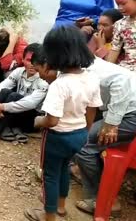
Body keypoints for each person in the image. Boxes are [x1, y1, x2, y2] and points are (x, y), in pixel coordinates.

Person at [24, 26, 102, 221]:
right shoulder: (91, 78)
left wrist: (38, 121)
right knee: (64, 169)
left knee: (49, 175)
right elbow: (92, 109)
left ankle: (48, 215)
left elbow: (52, 120)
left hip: (57, 137)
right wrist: (85, 131)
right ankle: (60, 207)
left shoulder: (60, 84)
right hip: (79, 134)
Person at [72, 58, 136, 217]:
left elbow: (123, 80)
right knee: (78, 131)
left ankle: (101, 200)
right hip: (124, 108)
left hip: (131, 113)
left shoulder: (88, 70)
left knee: (82, 143)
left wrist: (112, 123)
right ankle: (81, 170)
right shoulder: (83, 64)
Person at [0, 43, 49, 146]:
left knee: (13, 96)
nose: (32, 64)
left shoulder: (43, 79)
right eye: (29, 60)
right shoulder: (19, 72)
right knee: (4, 92)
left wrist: (3, 106)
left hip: (31, 119)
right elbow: (1, 86)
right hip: (15, 112)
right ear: (23, 59)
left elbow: (31, 103)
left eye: (35, 62)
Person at [106, 0, 136, 71]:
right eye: (118, 4)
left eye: (123, 3)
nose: (120, 8)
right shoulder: (119, 25)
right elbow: (115, 50)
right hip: (128, 70)